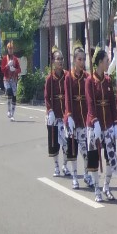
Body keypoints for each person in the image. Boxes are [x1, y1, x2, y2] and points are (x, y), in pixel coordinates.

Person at [86, 47, 117, 203]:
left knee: (110, 158)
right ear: (100, 62)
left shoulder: (107, 80)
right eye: (107, 61)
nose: (108, 63)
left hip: (108, 124)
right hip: (94, 125)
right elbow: (90, 104)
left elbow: (112, 103)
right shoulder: (89, 81)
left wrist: (116, 123)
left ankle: (106, 186)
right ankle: (97, 189)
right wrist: (94, 122)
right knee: (93, 157)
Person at [64, 45, 94, 190]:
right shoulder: (68, 77)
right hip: (73, 118)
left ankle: (87, 175)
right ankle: (75, 177)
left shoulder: (87, 77)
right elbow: (67, 99)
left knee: (86, 150)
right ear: (74, 60)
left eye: (84, 59)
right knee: (73, 150)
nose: (82, 62)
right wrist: (68, 115)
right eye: (79, 59)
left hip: (85, 119)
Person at [44, 48, 70, 177]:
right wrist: (50, 111)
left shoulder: (67, 76)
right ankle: (56, 166)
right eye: (57, 59)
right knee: (54, 143)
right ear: (53, 61)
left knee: (66, 142)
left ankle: (65, 165)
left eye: (61, 59)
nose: (60, 61)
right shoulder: (50, 78)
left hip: (65, 115)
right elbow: (47, 97)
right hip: (54, 115)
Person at [1, 41, 21, 121]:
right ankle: (8, 110)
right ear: (7, 49)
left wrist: (15, 70)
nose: (10, 50)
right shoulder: (5, 59)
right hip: (6, 79)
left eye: (11, 48)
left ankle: (12, 114)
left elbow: (19, 69)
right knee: (9, 92)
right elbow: (2, 70)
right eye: (9, 48)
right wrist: (7, 66)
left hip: (13, 80)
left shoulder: (15, 59)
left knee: (14, 96)